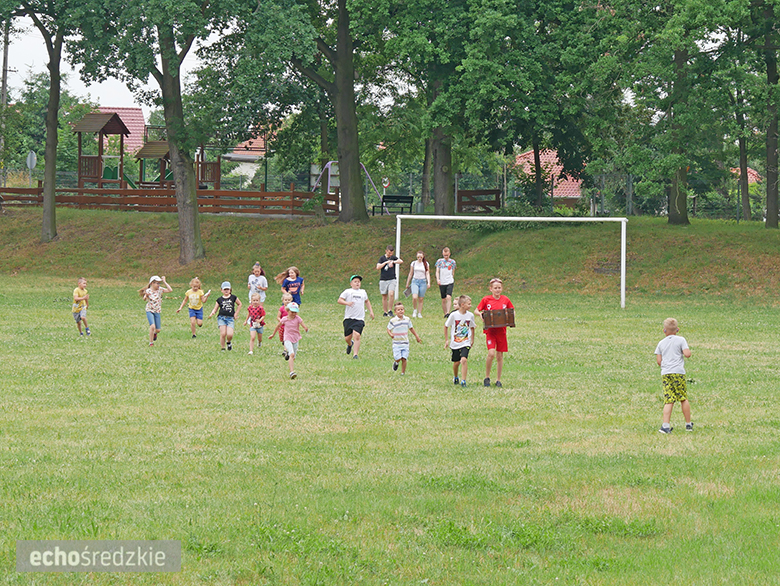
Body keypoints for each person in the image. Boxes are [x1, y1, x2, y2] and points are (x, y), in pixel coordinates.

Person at [655, 318, 693, 434]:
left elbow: (659, 361)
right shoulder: (681, 340)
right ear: (677, 329)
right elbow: (687, 354)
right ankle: (688, 424)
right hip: (678, 373)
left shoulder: (661, 343)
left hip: (666, 373)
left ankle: (665, 425)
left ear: (664, 330)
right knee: (683, 398)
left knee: (669, 400)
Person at [475, 278, 514, 387]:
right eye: (495, 288)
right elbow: (476, 310)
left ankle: (498, 379)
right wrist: (480, 315)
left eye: (499, 288)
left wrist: (510, 318)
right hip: (490, 330)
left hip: (501, 331)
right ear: (491, 289)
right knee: (491, 353)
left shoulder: (505, 299)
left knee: (499, 355)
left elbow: (512, 310)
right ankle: (487, 377)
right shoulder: (486, 299)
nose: (497, 290)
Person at [338, 274, 375, 359]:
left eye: (358, 282)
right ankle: (350, 344)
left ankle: (355, 355)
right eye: (355, 282)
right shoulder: (347, 291)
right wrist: (347, 303)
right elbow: (339, 300)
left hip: (359, 318)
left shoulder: (363, 292)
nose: (357, 283)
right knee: (347, 338)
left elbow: (367, 301)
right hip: (348, 318)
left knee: (357, 335)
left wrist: (371, 311)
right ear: (351, 283)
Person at [269, 302, 309, 379]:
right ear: (287, 311)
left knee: (293, 357)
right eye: (292, 312)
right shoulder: (284, 319)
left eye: (295, 312)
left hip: (296, 338)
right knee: (292, 354)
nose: (294, 314)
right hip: (287, 338)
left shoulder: (298, 318)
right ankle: (291, 372)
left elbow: (303, 325)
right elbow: (277, 326)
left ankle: (288, 355)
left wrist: (305, 328)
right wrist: (273, 335)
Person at [445, 295, 476, 387]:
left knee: (464, 360)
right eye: (468, 304)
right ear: (462, 304)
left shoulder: (470, 315)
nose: (470, 305)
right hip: (455, 342)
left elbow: (472, 327)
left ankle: (463, 380)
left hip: (466, 342)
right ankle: (455, 376)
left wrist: (472, 339)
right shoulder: (453, 315)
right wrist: (447, 340)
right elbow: (446, 326)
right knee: (456, 362)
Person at [386, 301, 422, 375]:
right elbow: (388, 329)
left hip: (405, 342)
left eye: (402, 309)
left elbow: (411, 328)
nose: (401, 311)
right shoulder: (393, 321)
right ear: (395, 312)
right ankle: (396, 362)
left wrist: (417, 336)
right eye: (398, 310)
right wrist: (391, 334)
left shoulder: (407, 319)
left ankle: (403, 373)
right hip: (396, 343)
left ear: (404, 310)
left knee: (404, 358)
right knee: (398, 358)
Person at [208, 281, 242, 351]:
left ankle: (228, 342)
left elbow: (240, 304)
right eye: (224, 289)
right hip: (221, 318)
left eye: (228, 289)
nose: (226, 291)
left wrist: (236, 313)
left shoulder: (233, 297)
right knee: (223, 334)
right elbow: (215, 308)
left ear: (230, 290)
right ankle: (223, 348)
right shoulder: (219, 299)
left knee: (230, 334)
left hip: (230, 318)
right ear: (221, 290)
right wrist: (212, 313)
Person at [139, 275, 173, 346]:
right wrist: (146, 296)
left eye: (159, 283)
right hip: (150, 310)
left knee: (158, 330)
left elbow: (170, 290)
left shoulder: (160, 290)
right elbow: (144, 299)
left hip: (157, 311)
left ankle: (155, 333)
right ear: (152, 283)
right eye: (157, 283)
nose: (158, 285)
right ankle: (151, 342)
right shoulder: (148, 291)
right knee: (152, 326)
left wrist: (164, 281)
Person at [376, 245, 403, 317]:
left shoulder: (393, 258)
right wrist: (385, 263)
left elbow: (400, 261)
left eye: (391, 253)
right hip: (383, 279)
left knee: (391, 294)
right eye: (389, 253)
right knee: (384, 296)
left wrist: (393, 262)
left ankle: (390, 310)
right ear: (386, 251)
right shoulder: (382, 258)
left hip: (392, 279)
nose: (390, 254)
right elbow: (378, 267)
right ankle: (385, 312)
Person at [405, 251, 430, 318]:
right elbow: (411, 273)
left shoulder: (425, 264)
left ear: (423, 257)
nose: (419, 258)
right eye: (418, 257)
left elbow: (427, 273)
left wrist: (428, 282)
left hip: (423, 282)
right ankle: (415, 310)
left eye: (421, 257)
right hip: (415, 281)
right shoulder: (413, 263)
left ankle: (419, 312)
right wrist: (407, 282)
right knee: (414, 297)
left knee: (421, 298)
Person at [268, 292, 293, 356]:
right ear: (283, 300)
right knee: (283, 339)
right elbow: (278, 317)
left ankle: (285, 351)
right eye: (286, 300)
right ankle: (286, 346)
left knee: (287, 338)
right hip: (282, 326)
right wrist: (282, 321)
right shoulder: (281, 308)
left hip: (290, 327)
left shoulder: (292, 308)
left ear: (291, 300)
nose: (287, 301)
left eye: (289, 300)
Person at [435, 247, 457, 317]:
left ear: (449, 254)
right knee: (443, 298)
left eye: (447, 255)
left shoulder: (452, 262)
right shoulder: (439, 261)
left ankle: (448, 312)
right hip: (442, 282)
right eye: (444, 255)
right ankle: (445, 313)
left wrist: (451, 278)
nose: (446, 257)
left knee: (448, 297)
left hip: (449, 281)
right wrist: (438, 279)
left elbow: (453, 271)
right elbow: (437, 271)